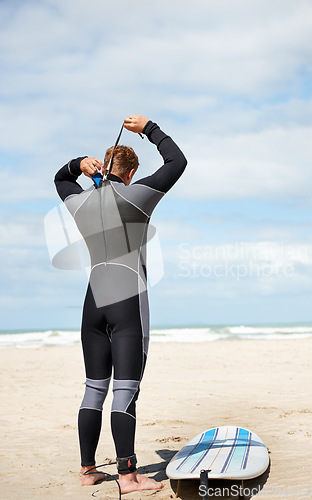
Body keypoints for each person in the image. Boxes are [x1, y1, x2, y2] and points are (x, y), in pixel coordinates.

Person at [54, 115, 187, 493]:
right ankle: (128, 477)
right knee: (125, 390)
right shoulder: (137, 194)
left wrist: (79, 163)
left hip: (93, 303)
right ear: (129, 173)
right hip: (128, 300)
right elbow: (177, 162)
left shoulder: (79, 201)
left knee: (94, 388)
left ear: (102, 167)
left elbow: (60, 179)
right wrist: (149, 128)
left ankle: (88, 470)